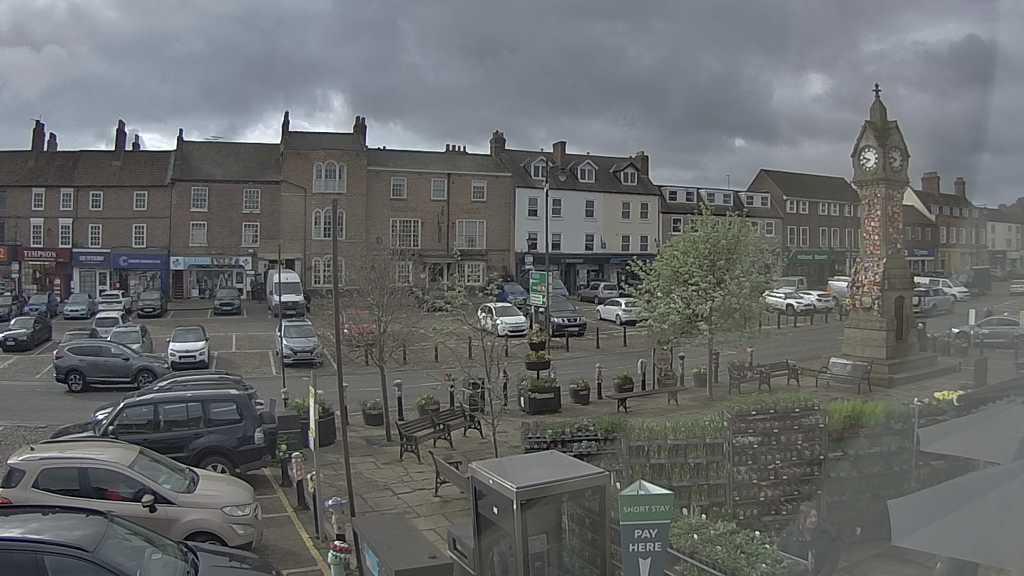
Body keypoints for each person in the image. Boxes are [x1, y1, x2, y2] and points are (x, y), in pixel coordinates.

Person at [779, 503, 840, 576]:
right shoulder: (789, 534)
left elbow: (831, 561)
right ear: (801, 518)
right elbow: (781, 554)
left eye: (815, 516)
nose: (814, 520)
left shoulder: (827, 534)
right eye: (809, 517)